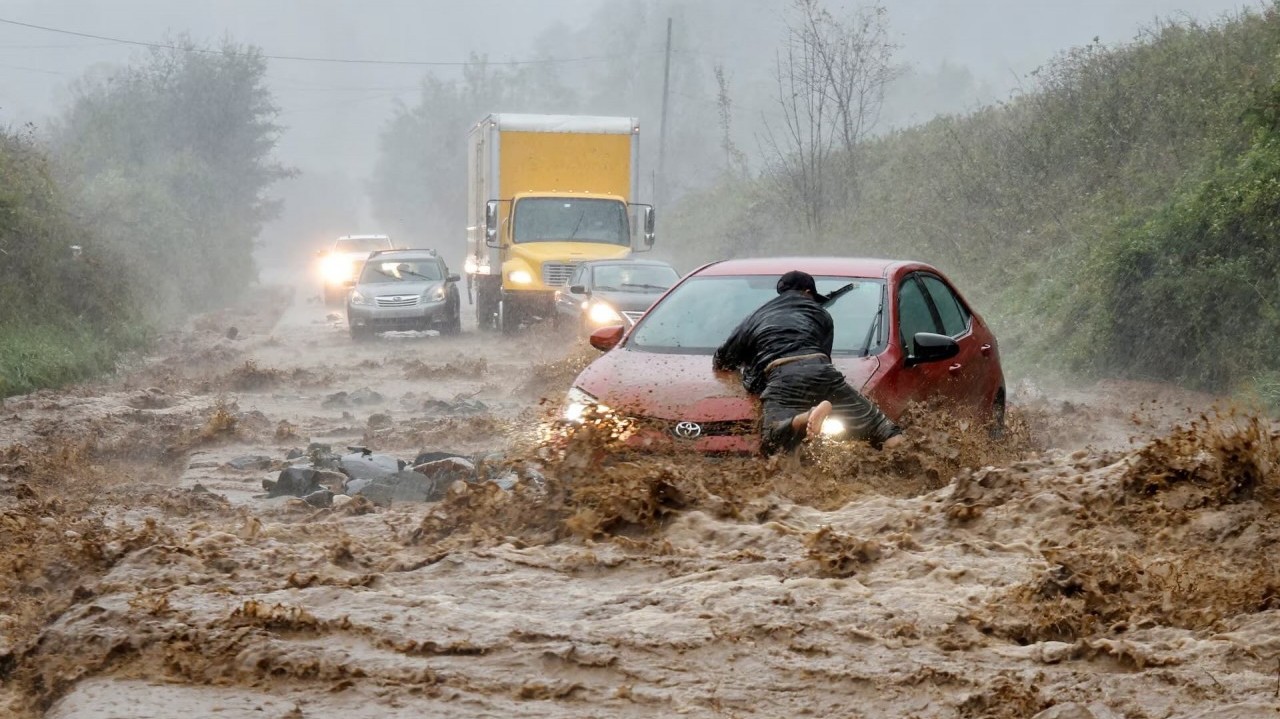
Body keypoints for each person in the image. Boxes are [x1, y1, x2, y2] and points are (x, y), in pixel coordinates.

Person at [713, 270, 905, 455]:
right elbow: (823, 359)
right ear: (808, 292)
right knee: (884, 429)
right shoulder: (822, 315)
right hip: (821, 369)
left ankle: (806, 417)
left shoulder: (755, 317)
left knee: (771, 439)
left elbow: (722, 359)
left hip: (783, 374)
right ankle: (900, 462)